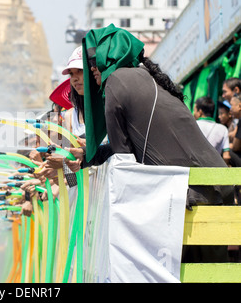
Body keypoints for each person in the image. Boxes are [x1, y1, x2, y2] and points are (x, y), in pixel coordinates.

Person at [66, 24, 233, 263]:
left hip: (194, 189)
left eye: (92, 61)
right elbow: (127, 146)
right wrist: (87, 156)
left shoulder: (115, 82)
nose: (90, 69)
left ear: (112, 55)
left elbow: (124, 160)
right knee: (211, 269)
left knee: (192, 269)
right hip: (215, 183)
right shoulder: (141, 76)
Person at [193, 96, 231, 165]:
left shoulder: (192, 125)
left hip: (194, 169)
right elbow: (226, 156)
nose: (193, 113)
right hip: (214, 170)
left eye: (194, 110)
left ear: (200, 112)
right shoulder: (223, 129)